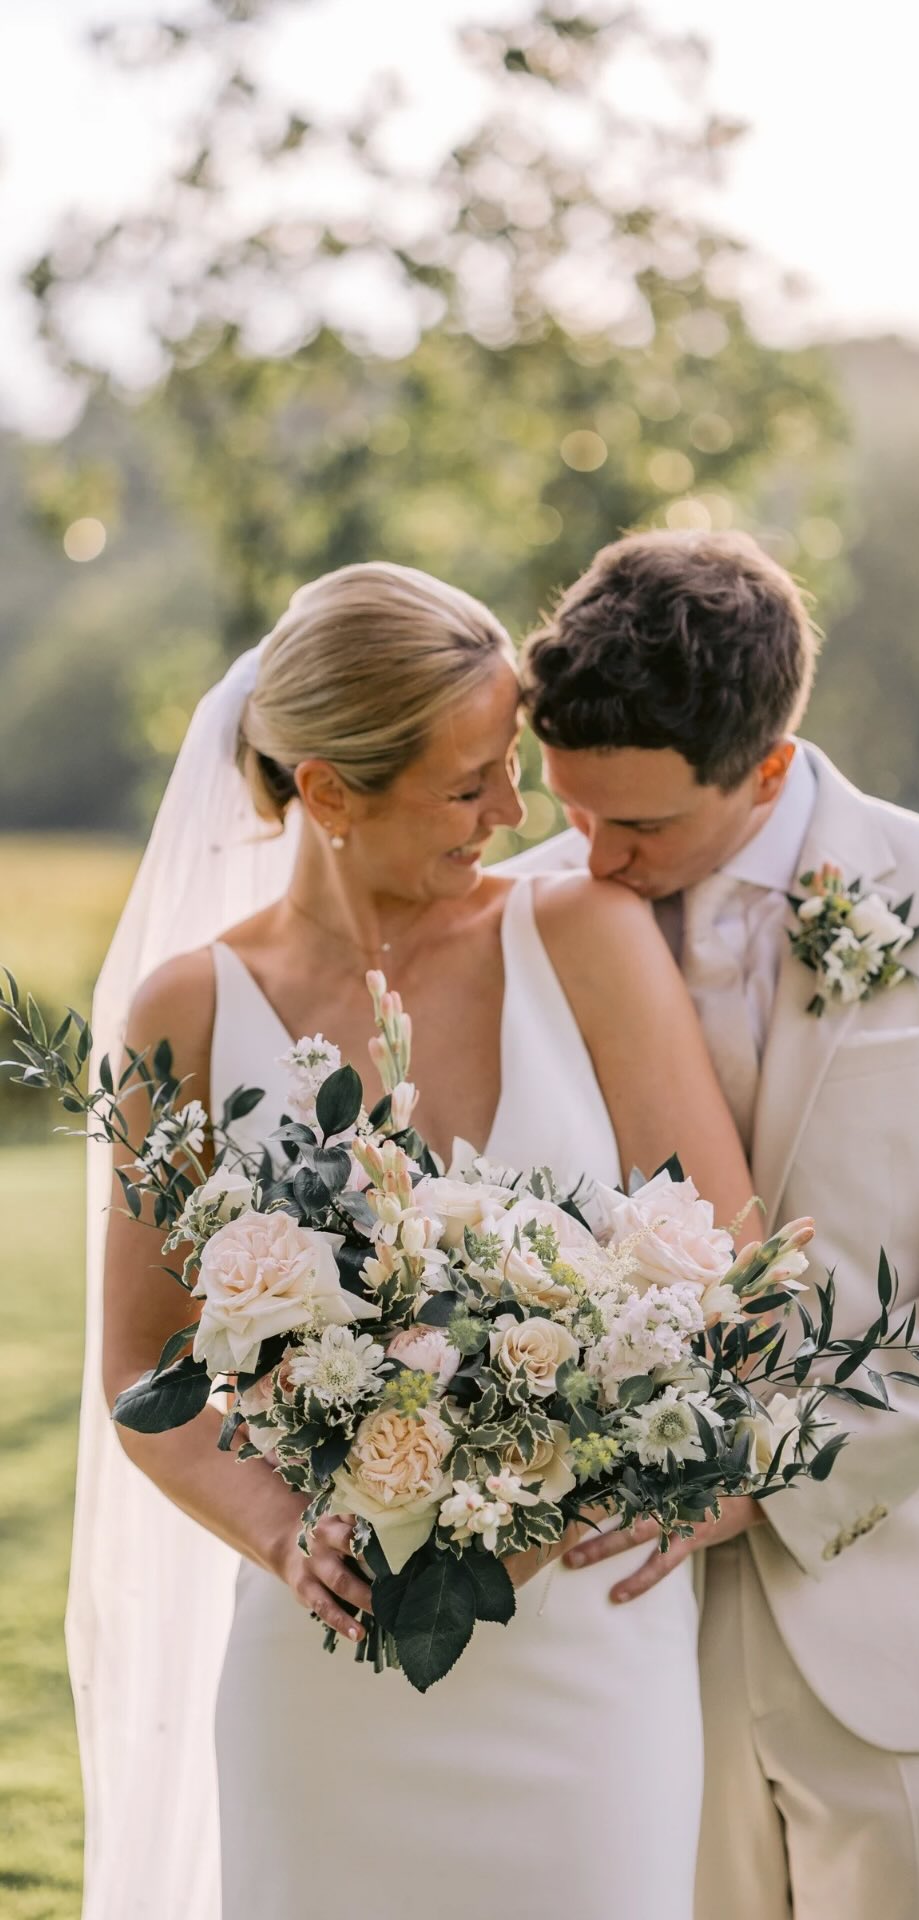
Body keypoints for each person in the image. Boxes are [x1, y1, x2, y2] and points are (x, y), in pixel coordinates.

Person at [88, 562, 752, 1920]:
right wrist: (283, 1534)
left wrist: (615, 1460)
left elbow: (726, 1268)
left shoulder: (585, 937)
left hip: (585, 1656)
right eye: (471, 785)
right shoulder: (190, 1013)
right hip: (325, 1673)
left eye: (509, 766)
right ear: (328, 791)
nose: (517, 815)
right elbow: (144, 1366)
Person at [514, 526, 919, 1920]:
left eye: (640, 826)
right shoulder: (522, 914)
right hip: (619, 1635)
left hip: (911, 1617)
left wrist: (761, 1466)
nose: (595, 853)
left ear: (768, 765)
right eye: (572, 809)